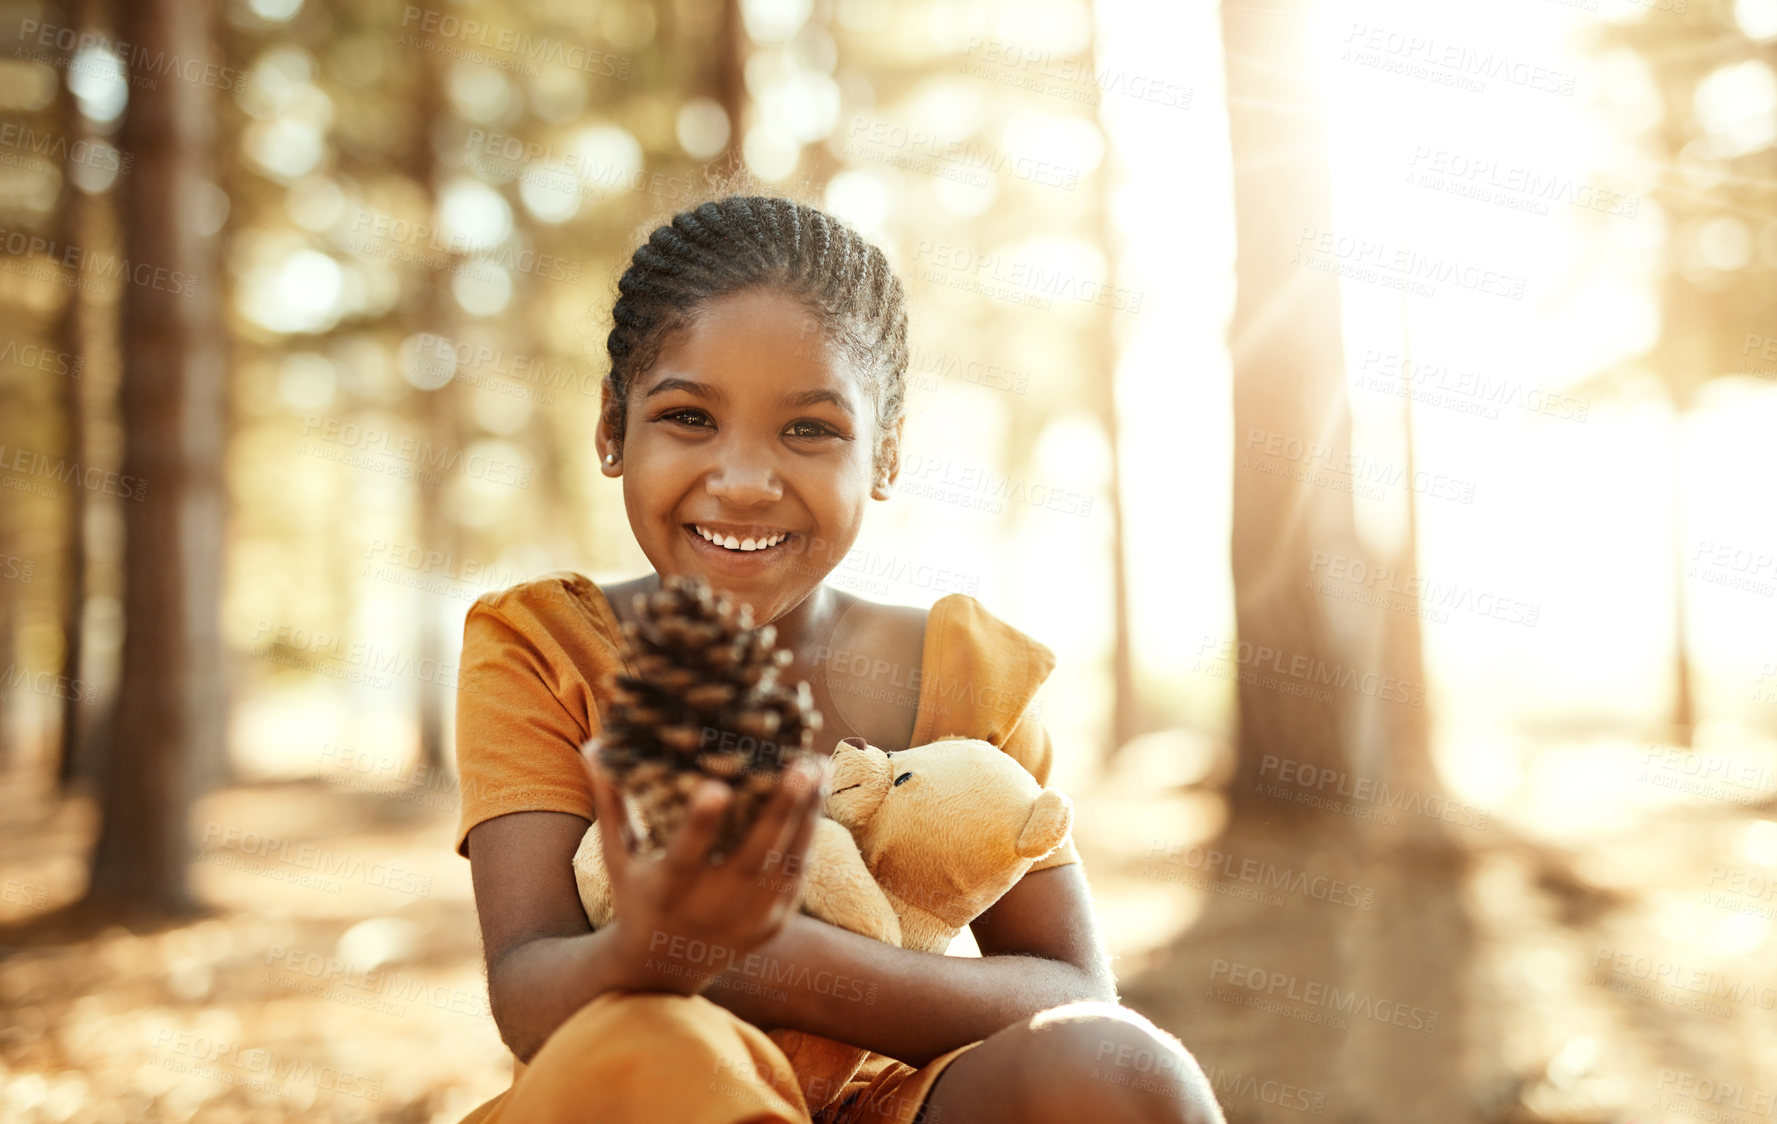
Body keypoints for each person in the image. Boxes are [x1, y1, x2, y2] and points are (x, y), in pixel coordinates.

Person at [452, 192, 1226, 1124]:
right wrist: (642, 957)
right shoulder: (545, 649)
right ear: (612, 427)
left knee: (1124, 1074)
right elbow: (527, 993)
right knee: (656, 1048)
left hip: (883, 1105)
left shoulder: (965, 674)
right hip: (640, 1092)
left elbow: (1074, 993)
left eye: (809, 429)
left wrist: (780, 963)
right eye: (689, 417)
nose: (741, 481)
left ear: (886, 456)